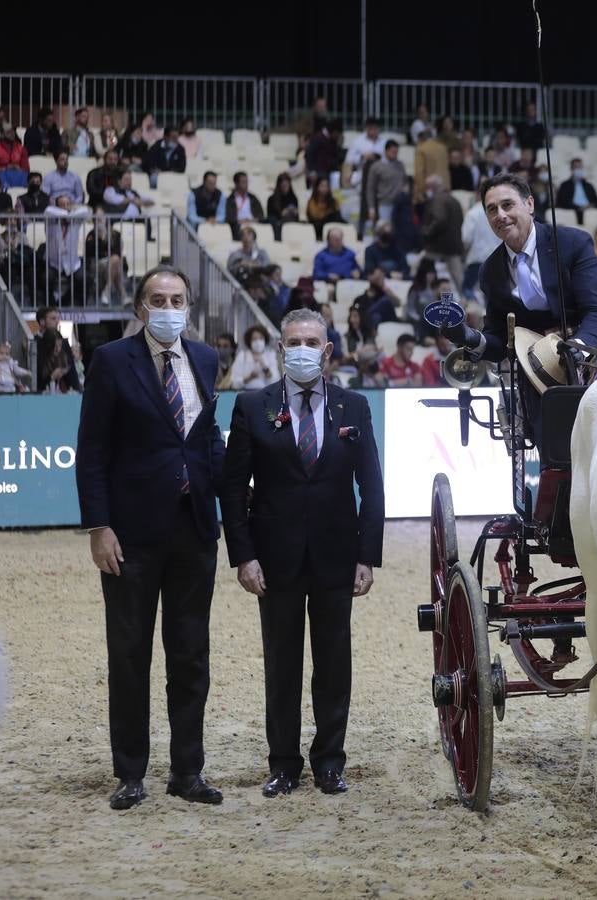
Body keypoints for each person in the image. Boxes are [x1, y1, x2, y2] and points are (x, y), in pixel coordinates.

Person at [75, 265, 227, 811]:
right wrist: (99, 526)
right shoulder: (112, 361)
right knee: (130, 654)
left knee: (191, 656)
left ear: (189, 306)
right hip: (131, 536)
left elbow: (205, 438)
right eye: (158, 299)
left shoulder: (206, 359)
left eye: (178, 299)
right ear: (141, 308)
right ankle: (131, 773)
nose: (168, 307)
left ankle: (188, 771)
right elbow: (91, 449)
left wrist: (234, 505)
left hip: (193, 531)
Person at [221, 308, 383, 798]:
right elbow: (232, 489)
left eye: (312, 341)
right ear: (280, 350)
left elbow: (371, 487)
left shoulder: (353, 408)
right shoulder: (252, 407)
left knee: (334, 663)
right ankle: (284, 765)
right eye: (293, 341)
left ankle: (330, 762)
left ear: (328, 350)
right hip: (275, 561)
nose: (303, 349)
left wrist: (366, 556)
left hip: (336, 558)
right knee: (282, 664)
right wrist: (243, 556)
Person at [438, 173, 597, 439]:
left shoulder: (573, 243)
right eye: (492, 209)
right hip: (537, 363)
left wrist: (579, 348)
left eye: (508, 205)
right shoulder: (490, 271)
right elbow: (500, 344)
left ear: (529, 204)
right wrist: (469, 337)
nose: (500, 215)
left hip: (592, 344)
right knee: (549, 441)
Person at [34, 306, 81, 394]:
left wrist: (77, 390)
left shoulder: (64, 342)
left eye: (57, 318)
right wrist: (51, 377)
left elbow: (72, 372)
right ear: (42, 321)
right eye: (53, 318)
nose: (57, 322)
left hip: (66, 392)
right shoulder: (34, 343)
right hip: (43, 392)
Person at [229, 324, 282, 390]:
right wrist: (249, 377)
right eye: (254, 339)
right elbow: (234, 383)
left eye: (261, 338)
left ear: (265, 340)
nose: (258, 342)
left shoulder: (270, 355)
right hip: (246, 394)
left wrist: (264, 366)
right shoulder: (242, 356)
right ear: (249, 341)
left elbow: (275, 381)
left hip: (265, 393)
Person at [225, 172, 265, 240]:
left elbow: (261, 214)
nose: (246, 184)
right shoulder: (230, 200)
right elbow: (229, 217)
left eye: (246, 182)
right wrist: (240, 221)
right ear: (236, 183)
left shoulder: (253, 198)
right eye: (243, 182)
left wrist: (254, 220)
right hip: (239, 226)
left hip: (254, 224)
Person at [266, 173, 300, 241]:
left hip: (291, 220)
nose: (285, 187)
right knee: (275, 222)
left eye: (287, 185)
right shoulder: (272, 199)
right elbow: (270, 215)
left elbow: (296, 215)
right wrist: (282, 213)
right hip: (277, 222)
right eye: (283, 185)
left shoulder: (293, 198)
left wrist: (294, 212)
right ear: (279, 186)